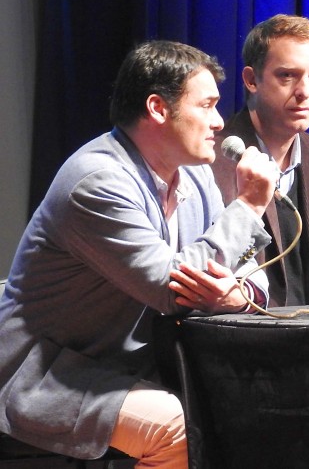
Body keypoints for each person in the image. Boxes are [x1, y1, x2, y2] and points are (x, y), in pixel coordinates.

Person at [0, 41, 279, 468]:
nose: (219, 122)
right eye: (206, 105)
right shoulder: (97, 181)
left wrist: (237, 296)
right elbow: (170, 287)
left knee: (260, 404)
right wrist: (249, 206)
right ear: (158, 108)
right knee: (175, 426)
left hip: (135, 366)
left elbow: (248, 269)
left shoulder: (196, 176)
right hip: (46, 376)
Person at [212, 14, 309, 307]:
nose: (304, 92)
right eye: (287, 75)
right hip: (240, 328)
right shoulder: (210, 160)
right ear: (252, 80)